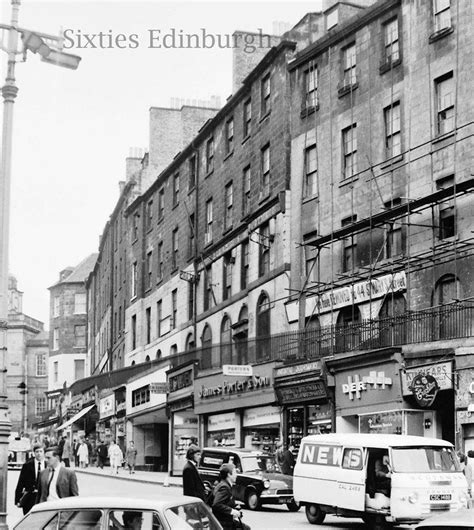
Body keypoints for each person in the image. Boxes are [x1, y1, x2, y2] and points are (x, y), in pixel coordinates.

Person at [212, 463, 250, 530]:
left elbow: (224, 502)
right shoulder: (224, 487)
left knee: (246, 528)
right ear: (229, 474)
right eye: (234, 473)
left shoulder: (224, 484)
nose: (236, 475)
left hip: (223, 520)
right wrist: (233, 511)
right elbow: (217, 504)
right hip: (223, 522)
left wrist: (234, 506)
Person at [14, 443, 47, 514]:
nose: (39, 454)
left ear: (44, 452)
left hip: (43, 498)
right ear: (34, 453)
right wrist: (17, 499)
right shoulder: (27, 466)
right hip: (29, 498)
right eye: (37, 452)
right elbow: (20, 482)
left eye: (41, 451)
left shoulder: (47, 465)